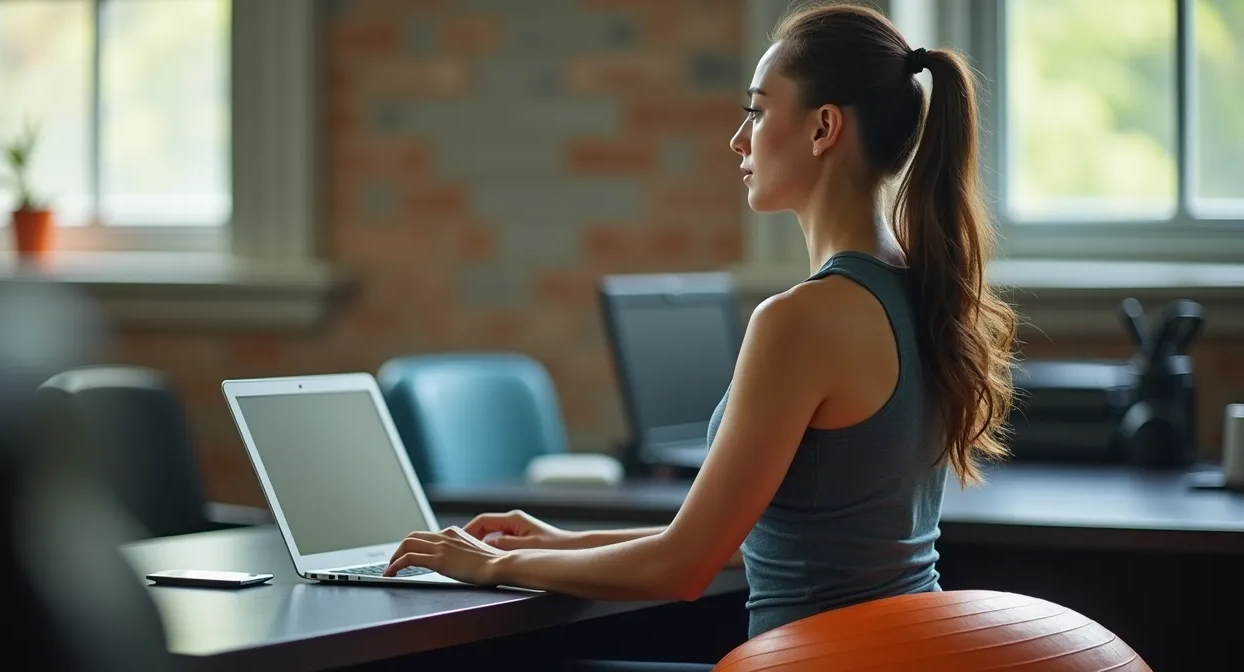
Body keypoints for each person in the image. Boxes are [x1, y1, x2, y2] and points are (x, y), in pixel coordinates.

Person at [386, 2, 1017, 669]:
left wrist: (490, 568)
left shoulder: (802, 320)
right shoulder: (919, 291)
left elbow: (683, 568)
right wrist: (552, 544)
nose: (738, 141)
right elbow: (756, 539)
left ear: (823, 127)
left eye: (757, 110)